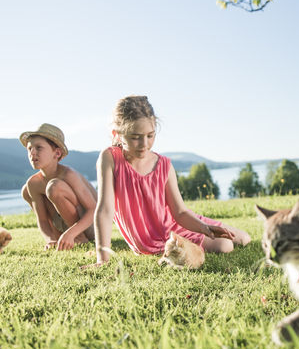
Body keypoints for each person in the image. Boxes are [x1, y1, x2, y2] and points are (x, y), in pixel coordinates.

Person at [86, 95, 251, 266]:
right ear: (118, 135)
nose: (144, 144)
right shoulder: (110, 158)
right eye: (136, 137)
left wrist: (204, 227)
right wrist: (102, 259)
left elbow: (179, 212)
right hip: (153, 238)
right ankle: (178, 247)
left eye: (150, 136)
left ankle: (189, 240)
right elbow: (105, 210)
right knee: (225, 245)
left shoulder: (164, 165)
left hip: (177, 223)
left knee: (244, 238)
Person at [20, 123, 97, 251]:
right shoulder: (33, 183)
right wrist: (50, 240)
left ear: (57, 153)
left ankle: (79, 238)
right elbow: (43, 220)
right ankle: (58, 239)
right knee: (26, 191)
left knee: (53, 187)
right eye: (29, 148)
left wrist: (71, 233)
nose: (32, 153)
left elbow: (93, 210)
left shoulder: (68, 174)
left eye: (39, 148)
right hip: (65, 226)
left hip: (91, 225)